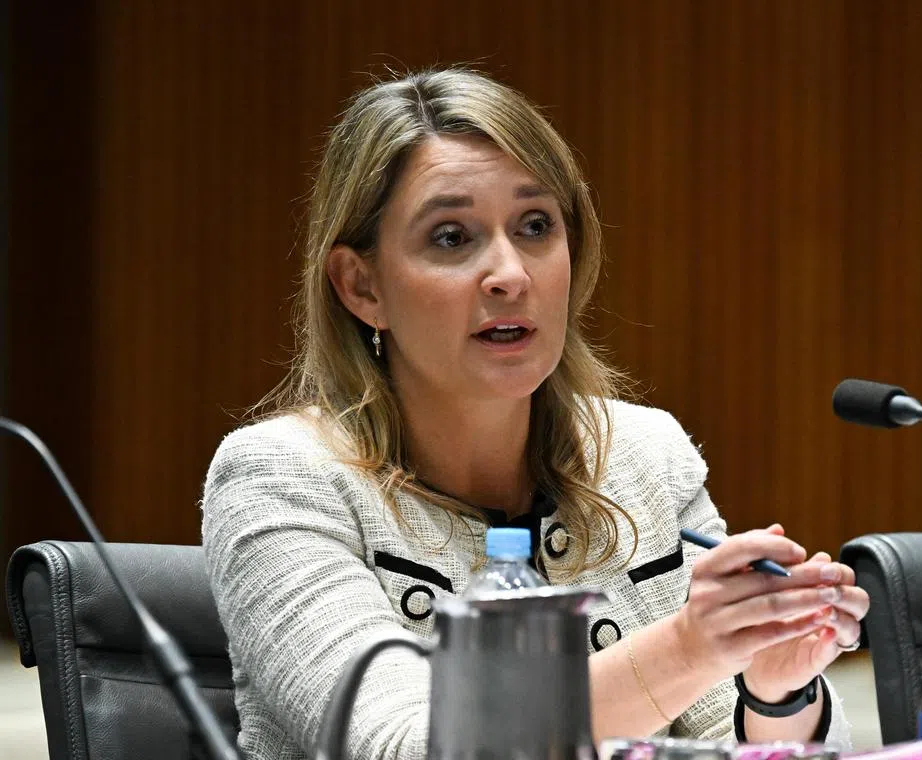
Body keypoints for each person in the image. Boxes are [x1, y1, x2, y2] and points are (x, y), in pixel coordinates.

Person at [201, 66, 870, 760]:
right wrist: (688, 647)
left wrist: (774, 687)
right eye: (452, 237)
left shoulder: (643, 457)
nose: (511, 273)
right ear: (362, 285)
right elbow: (407, 747)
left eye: (534, 226)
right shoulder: (280, 480)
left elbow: (744, 739)